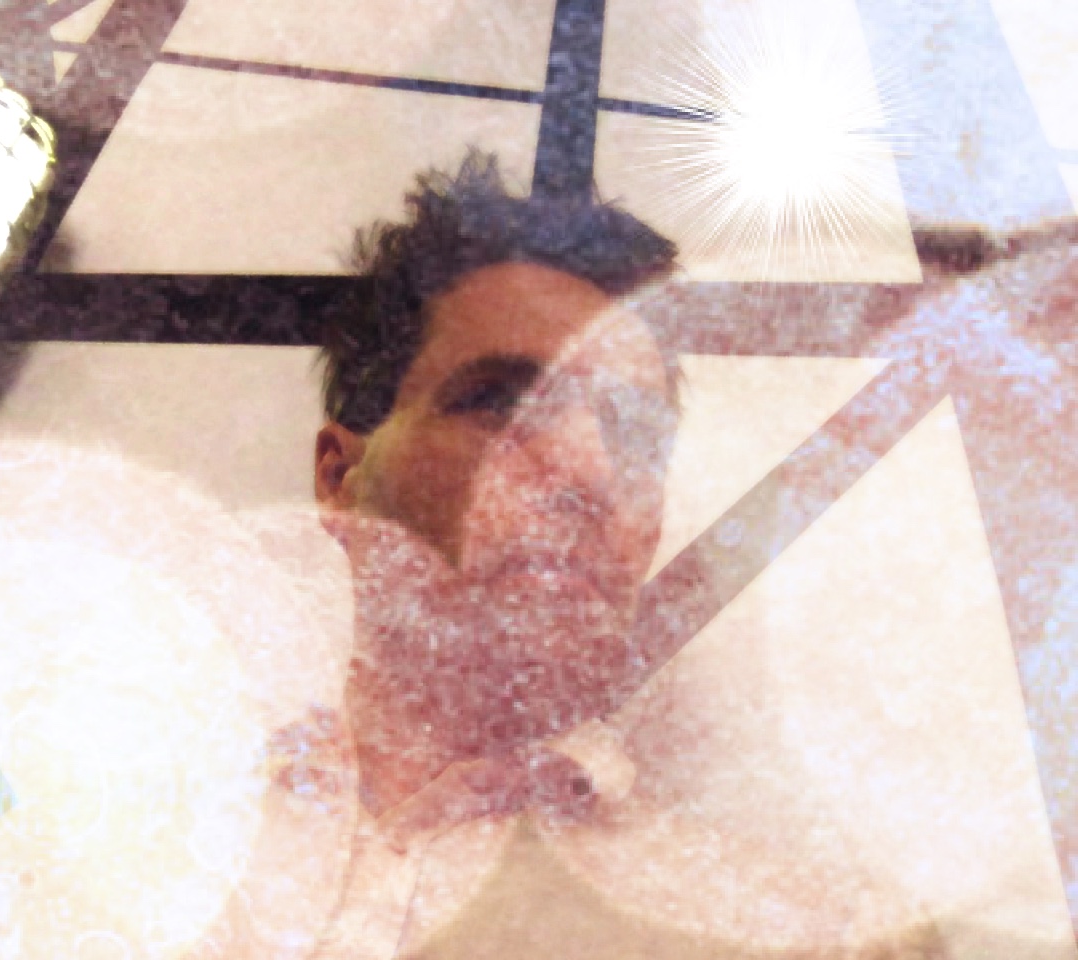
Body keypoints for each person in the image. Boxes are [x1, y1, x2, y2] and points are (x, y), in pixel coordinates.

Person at [285, 150, 950, 959]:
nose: (590, 471)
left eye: (633, 433)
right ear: (339, 478)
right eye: (499, 400)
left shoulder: (831, 937)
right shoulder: (149, 830)